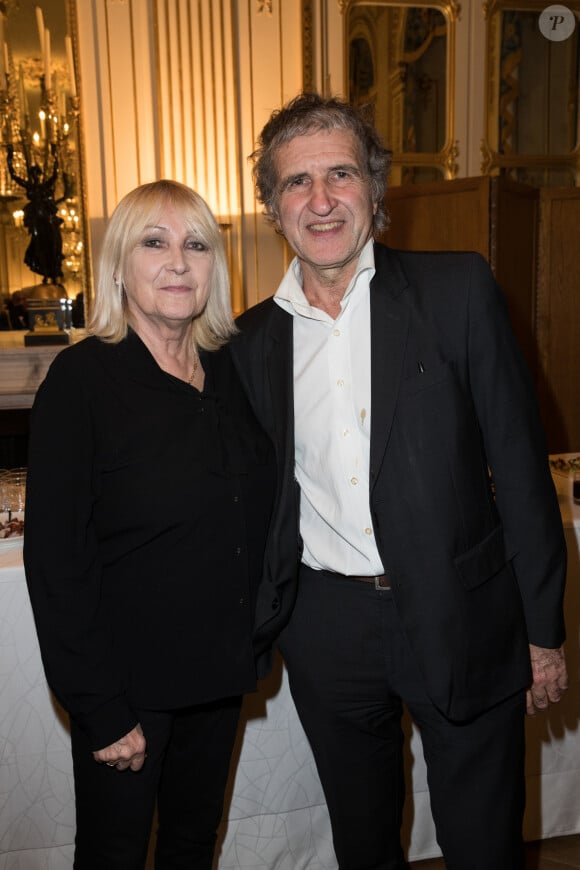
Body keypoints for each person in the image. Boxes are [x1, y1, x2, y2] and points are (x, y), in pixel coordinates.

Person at [229, 93, 568, 870]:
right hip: (326, 628)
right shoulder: (248, 343)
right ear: (272, 206)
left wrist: (542, 631)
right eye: (295, 183)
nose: (320, 200)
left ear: (375, 189)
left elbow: (520, 469)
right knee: (363, 844)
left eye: (340, 174)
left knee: (484, 843)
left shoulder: (458, 293)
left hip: (465, 613)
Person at [24, 179, 274, 869]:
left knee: (194, 846)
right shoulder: (80, 384)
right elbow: (56, 566)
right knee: (113, 854)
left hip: (216, 675)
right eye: (154, 243)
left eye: (196, 245)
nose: (178, 262)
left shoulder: (232, 371)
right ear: (118, 266)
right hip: (127, 688)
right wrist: (100, 707)